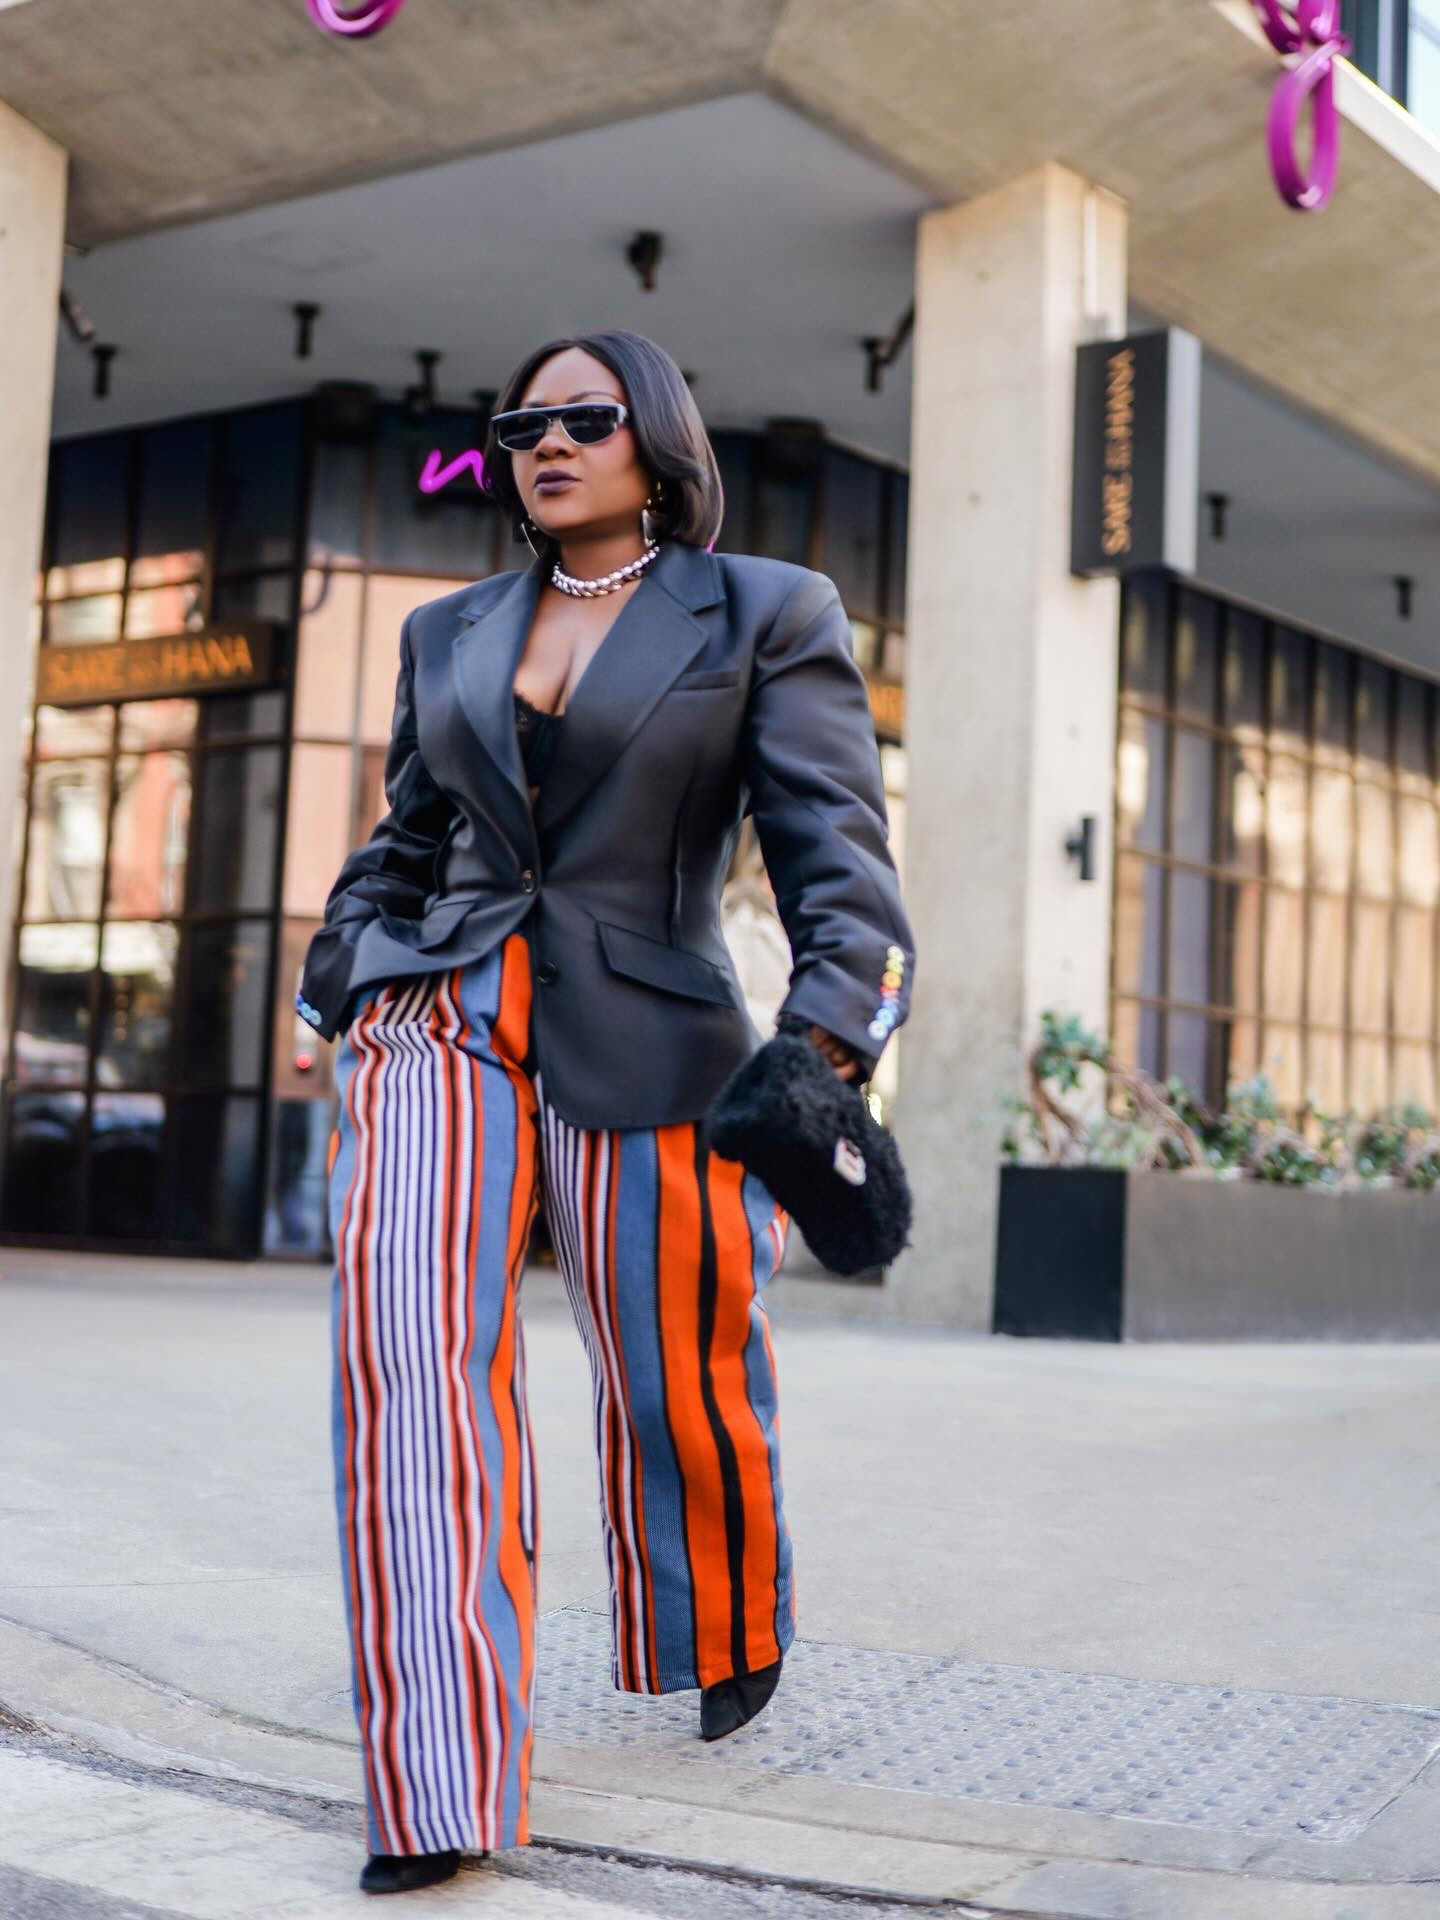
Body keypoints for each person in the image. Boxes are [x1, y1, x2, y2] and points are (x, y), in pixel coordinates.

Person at [296, 328, 915, 1895]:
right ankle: (435, 1783)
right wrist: (342, 976)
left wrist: (828, 1044)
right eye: (524, 426)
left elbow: (837, 855)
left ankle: (724, 1618)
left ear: (658, 439)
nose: (550, 444)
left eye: (586, 416)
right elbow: (406, 839)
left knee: (675, 1374)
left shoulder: (767, 610)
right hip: (438, 1017)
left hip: (655, 1033)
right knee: (408, 1368)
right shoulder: (446, 630)